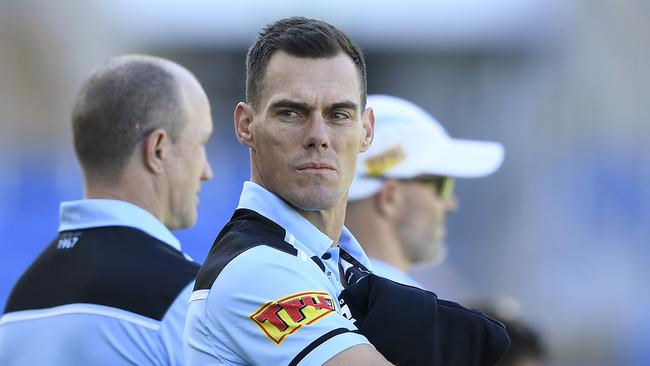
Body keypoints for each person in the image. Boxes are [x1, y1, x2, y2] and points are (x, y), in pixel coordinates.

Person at [184, 16, 392, 365]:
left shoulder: (341, 261)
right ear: (245, 125)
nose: (318, 136)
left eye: (338, 114)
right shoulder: (255, 266)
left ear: (366, 131)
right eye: (292, 113)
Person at [0, 55, 214, 365]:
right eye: (201, 142)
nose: (207, 171)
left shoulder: (18, 305)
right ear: (158, 150)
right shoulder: (187, 301)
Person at [345, 94, 505, 287]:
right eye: (442, 185)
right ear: (391, 197)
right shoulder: (408, 309)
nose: (451, 204)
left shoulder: (319, 291)